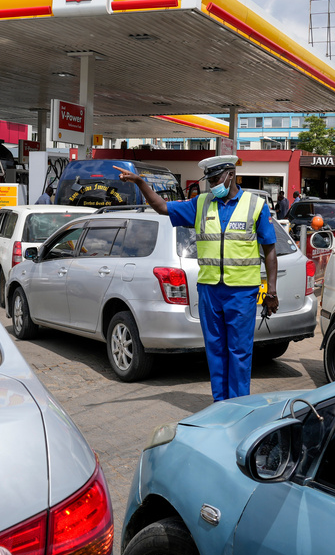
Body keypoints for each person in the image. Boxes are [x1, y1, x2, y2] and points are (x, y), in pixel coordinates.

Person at [114, 156, 279, 401]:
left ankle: (239, 408)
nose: (212, 185)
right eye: (210, 181)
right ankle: (220, 405)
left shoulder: (255, 205)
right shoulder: (201, 203)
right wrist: (140, 182)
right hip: (210, 291)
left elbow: (270, 250)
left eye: (215, 179)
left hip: (242, 292)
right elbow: (162, 207)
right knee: (215, 351)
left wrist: (272, 292)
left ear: (230, 175)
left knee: (240, 353)